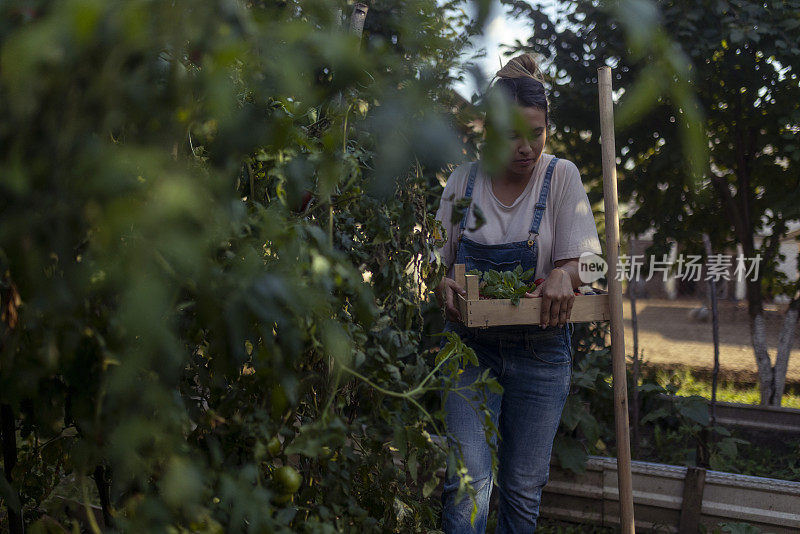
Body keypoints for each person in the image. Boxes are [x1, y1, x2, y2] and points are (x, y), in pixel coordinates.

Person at [431, 53, 602, 533]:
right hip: (469, 349)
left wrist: (568, 275)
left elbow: (593, 261)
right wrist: (436, 279)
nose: (526, 148)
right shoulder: (463, 183)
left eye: (537, 133)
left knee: (523, 489)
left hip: (541, 353)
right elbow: (425, 258)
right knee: (467, 483)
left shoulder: (560, 176)